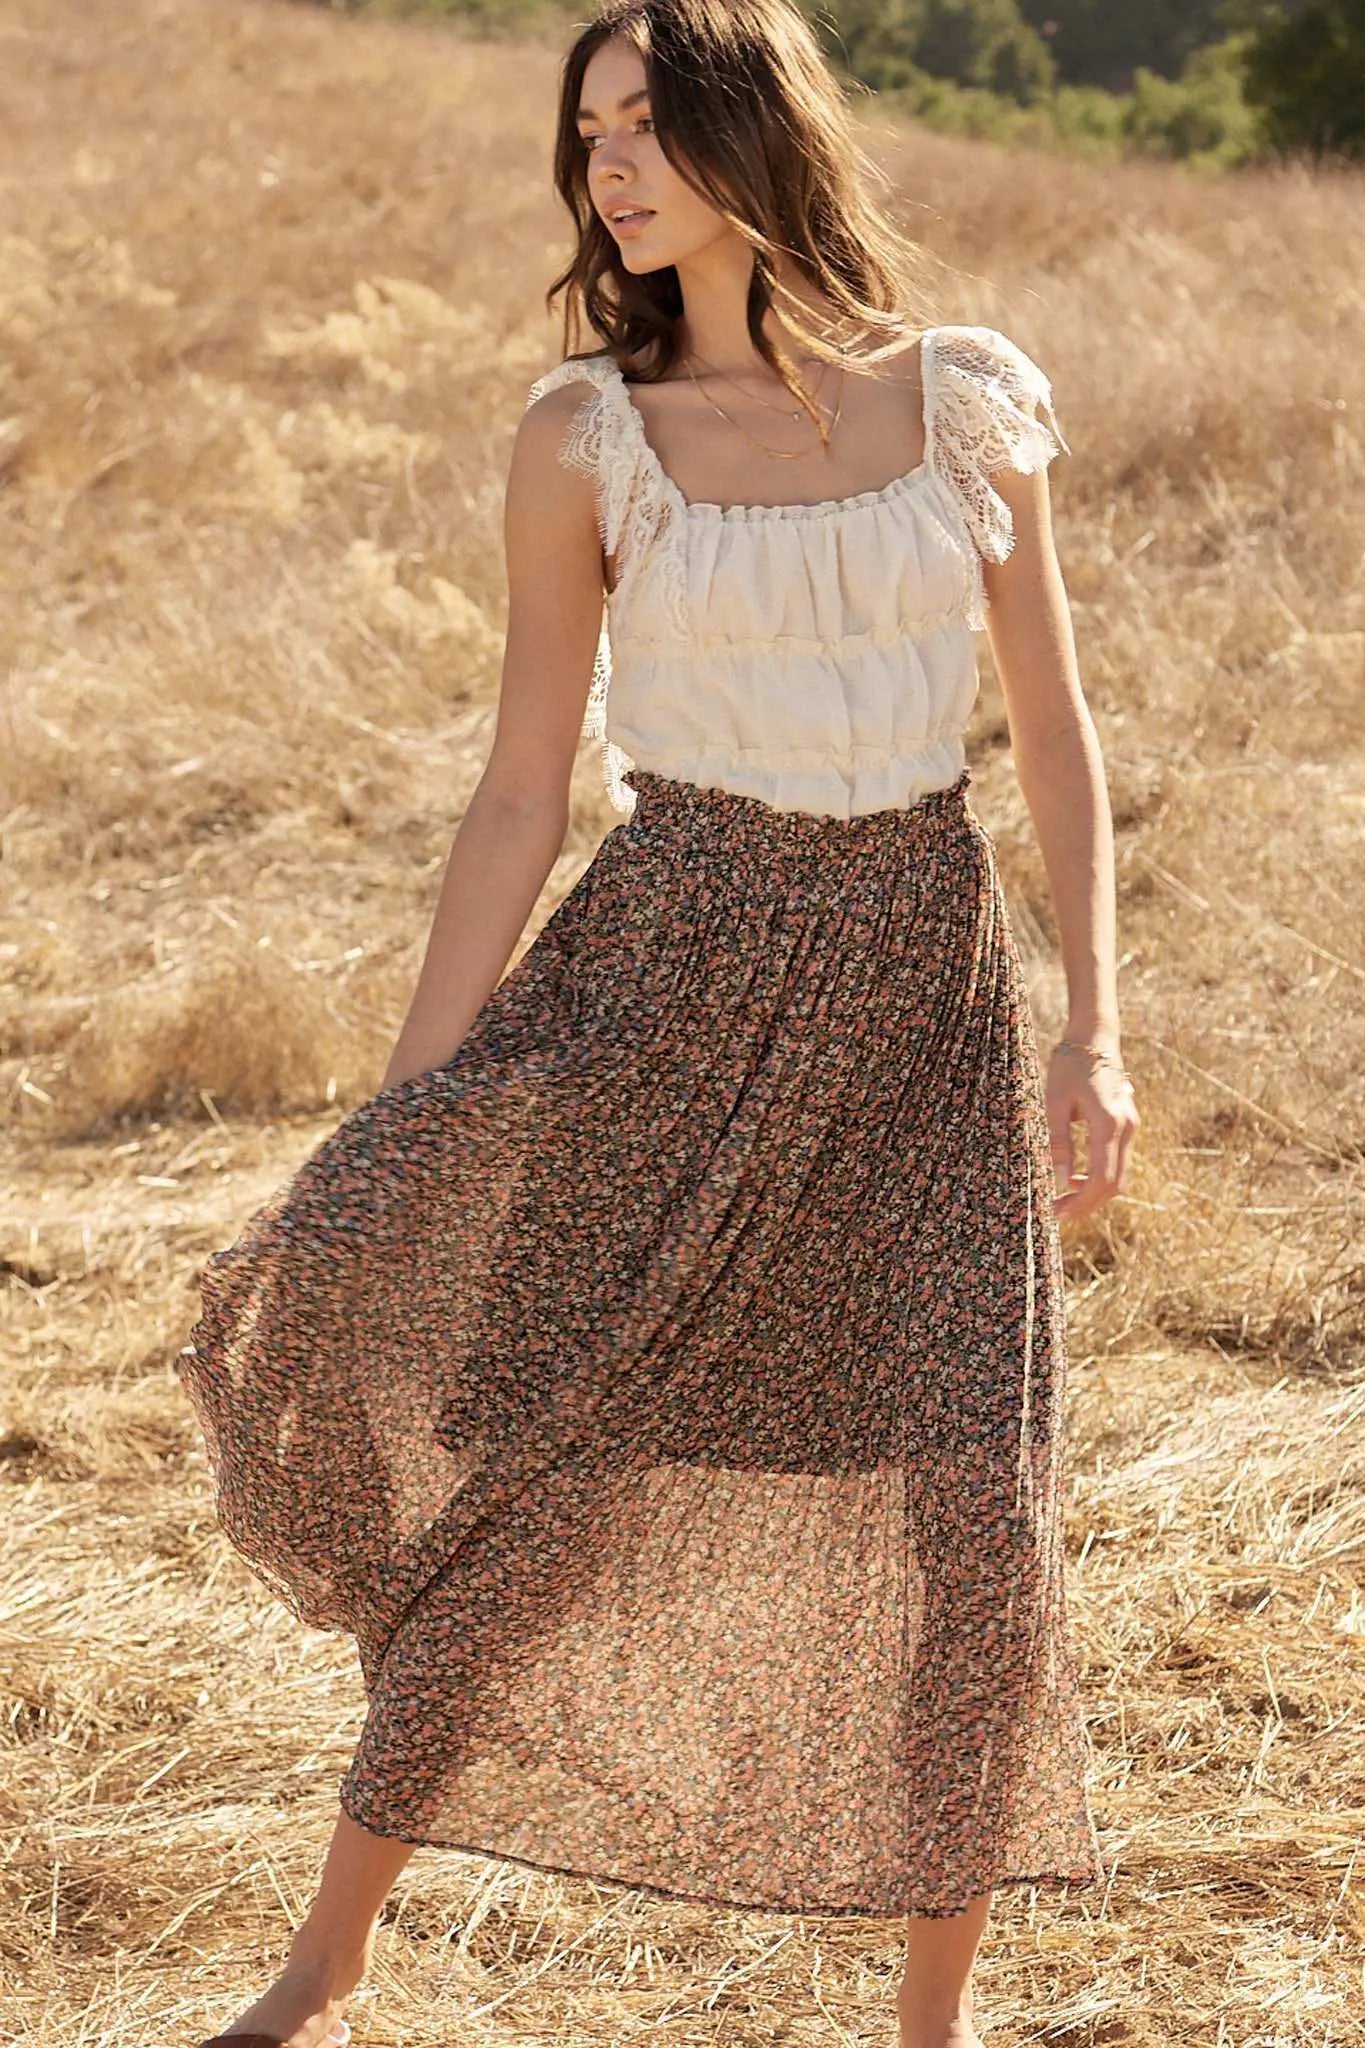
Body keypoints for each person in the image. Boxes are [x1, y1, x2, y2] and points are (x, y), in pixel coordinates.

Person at [176, 1, 1140, 2043]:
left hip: (922, 998)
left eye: (643, 122)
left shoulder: (964, 402)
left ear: (749, 127)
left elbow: (1052, 732)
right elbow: (520, 787)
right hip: (667, 977)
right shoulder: (582, 439)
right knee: (544, 1476)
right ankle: (325, 1965)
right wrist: (409, 1103)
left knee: (974, 1516)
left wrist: (1094, 1030)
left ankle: (932, 2024)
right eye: (587, 133)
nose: (605, 165)